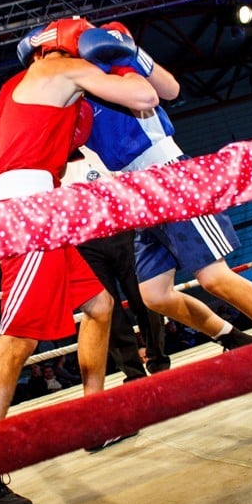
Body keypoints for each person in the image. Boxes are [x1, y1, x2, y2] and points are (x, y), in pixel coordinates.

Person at [0, 16, 161, 504]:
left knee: (98, 306)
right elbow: (146, 99)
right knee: (17, 339)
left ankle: (93, 420)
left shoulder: (17, 84)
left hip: (42, 209)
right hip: (28, 215)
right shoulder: (64, 70)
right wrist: (124, 52)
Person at [74, 21, 252, 399]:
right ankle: (236, 340)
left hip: (168, 177)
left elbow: (169, 91)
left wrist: (132, 53)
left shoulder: (109, 64)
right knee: (153, 295)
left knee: (213, 277)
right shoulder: (72, 88)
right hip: (136, 195)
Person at [61, 149, 170, 381]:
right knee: (108, 311)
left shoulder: (98, 150)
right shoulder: (51, 166)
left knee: (144, 297)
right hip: (84, 245)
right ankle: (133, 373)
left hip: (122, 232)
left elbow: (129, 185)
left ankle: (158, 359)